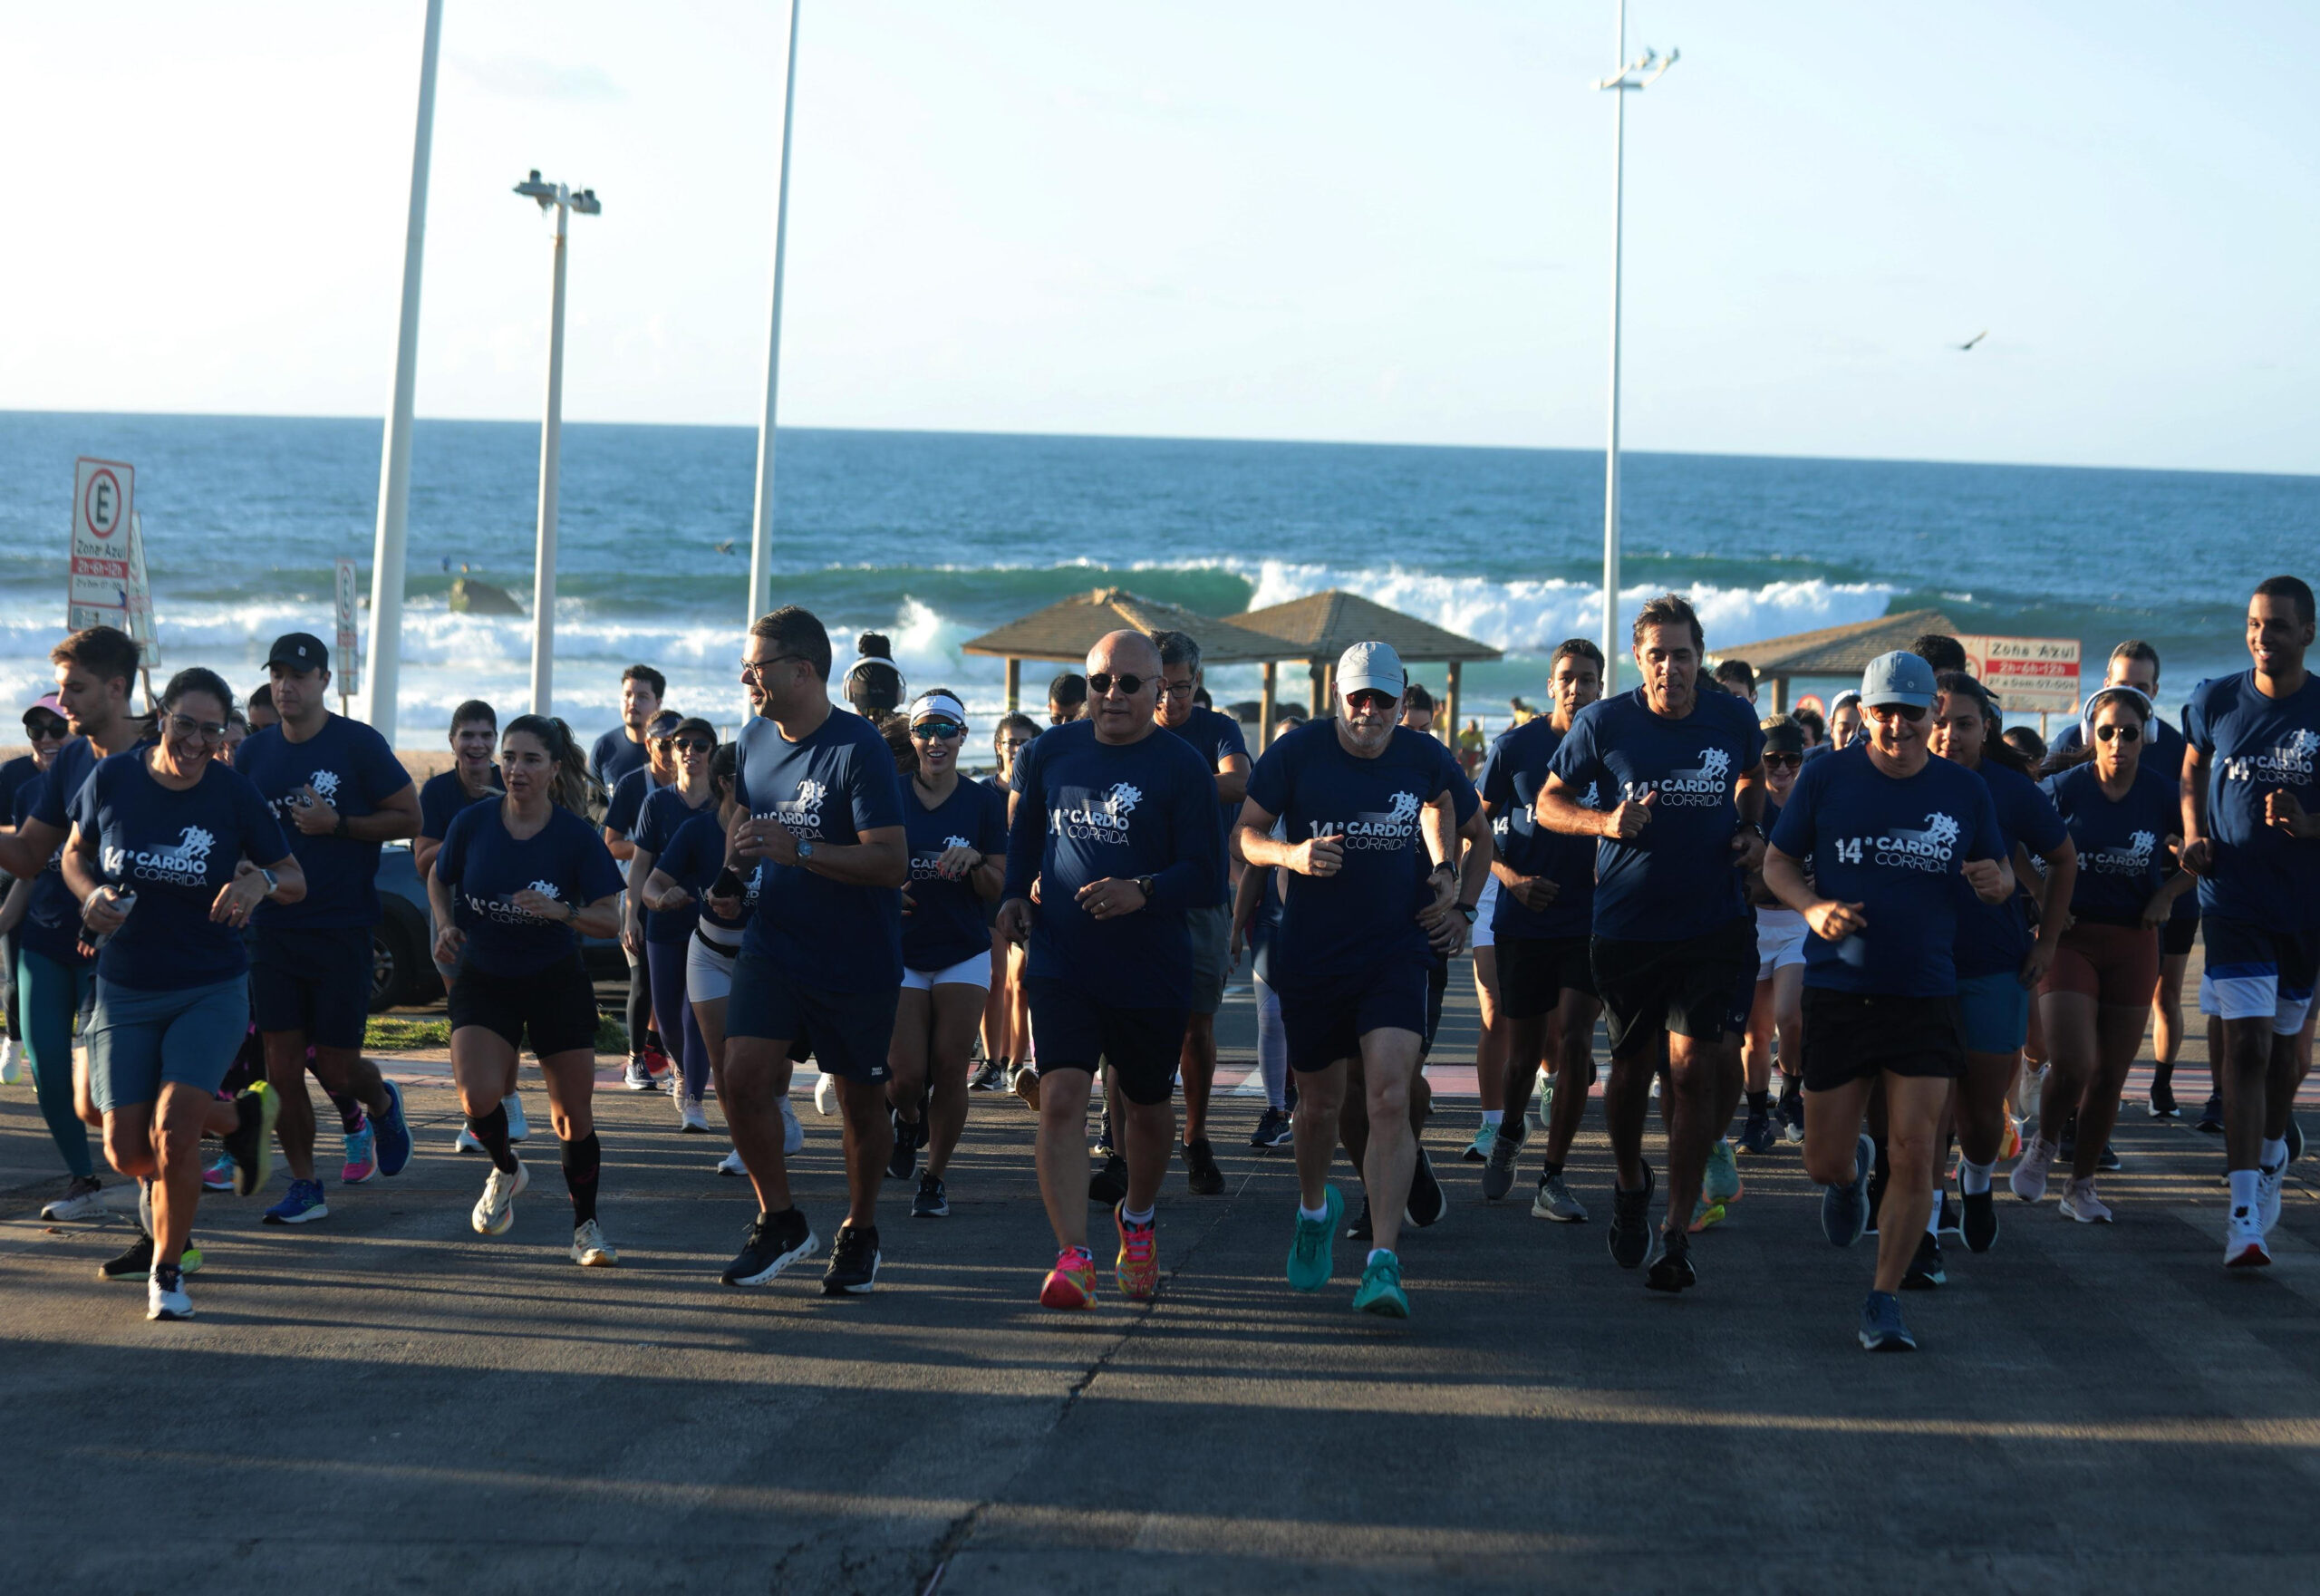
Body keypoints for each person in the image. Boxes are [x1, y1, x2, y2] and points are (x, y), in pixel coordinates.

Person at [1765, 652, 2012, 1351]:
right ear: (1864, 714)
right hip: (1841, 989)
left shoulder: (1964, 792)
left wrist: (1995, 884)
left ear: (1934, 713)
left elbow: (1996, 875)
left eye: (1911, 711)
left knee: (1917, 1150)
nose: (1898, 725)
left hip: (1924, 990)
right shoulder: (1825, 776)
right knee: (1823, 1158)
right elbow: (1777, 862)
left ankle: (1884, 1298)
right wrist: (1812, 908)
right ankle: (1848, 1178)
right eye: (1884, 711)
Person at [1238, 641, 1489, 1319]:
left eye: (1385, 699)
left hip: (1395, 951)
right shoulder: (1298, 752)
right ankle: (1315, 1209)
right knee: (1318, 1106)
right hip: (1313, 953)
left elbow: (1475, 829)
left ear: (1402, 702)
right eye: (1359, 698)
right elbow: (1247, 836)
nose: (1371, 711)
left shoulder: (1423, 755)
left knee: (1387, 1097)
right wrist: (1290, 851)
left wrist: (1460, 901)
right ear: (1338, 698)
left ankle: (1383, 1260)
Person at [1536, 595, 1767, 1292]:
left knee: (1694, 1068)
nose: (1671, 666)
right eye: (1658, 654)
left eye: (1684, 653)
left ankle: (1675, 1229)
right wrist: (1604, 821)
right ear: (1638, 659)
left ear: (1701, 656)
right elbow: (1549, 801)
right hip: (1628, 926)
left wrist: (1751, 830)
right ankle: (1631, 1178)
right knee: (1631, 1074)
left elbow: (1752, 775)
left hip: (1711, 923)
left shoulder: (1732, 717)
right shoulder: (1604, 721)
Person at [63, 667, 307, 1320]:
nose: (198, 740)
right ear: (159, 714)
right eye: (185, 723)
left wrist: (258, 885)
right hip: (126, 985)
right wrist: (90, 896)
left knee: (173, 1131)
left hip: (210, 985)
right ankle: (240, 1122)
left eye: (213, 728)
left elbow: (292, 874)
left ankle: (168, 1271)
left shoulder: (233, 794)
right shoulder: (113, 778)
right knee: (127, 1150)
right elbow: (72, 854)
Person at [1001, 631, 1220, 1310]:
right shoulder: (1048, 752)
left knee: (1147, 1108)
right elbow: (1025, 837)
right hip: (1064, 959)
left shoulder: (1182, 767)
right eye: (1100, 682)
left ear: (1161, 690)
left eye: (1130, 683)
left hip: (1149, 966)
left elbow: (1208, 874)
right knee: (1063, 1096)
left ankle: (1140, 1217)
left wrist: (1143, 889)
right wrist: (1013, 894)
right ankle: (1074, 1255)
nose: (1113, 694)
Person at [720, 606, 910, 1296]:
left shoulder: (858, 748)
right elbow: (744, 821)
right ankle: (780, 1219)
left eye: (758, 667)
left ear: (803, 669)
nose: (747, 678)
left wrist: (798, 849)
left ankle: (859, 1231)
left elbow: (890, 861)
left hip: (853, 955)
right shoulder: (752, 739)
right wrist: (730, 877)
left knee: (862, 1104)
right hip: (774, 943)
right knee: (741, 1075)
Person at [233, 633, 420, 1225]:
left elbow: (410, 816)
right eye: (278, 674)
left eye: (298, 674)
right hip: (274, 929)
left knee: (337, 1067)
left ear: (323, 681)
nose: (285, 684)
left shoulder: (358, 744)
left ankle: (383, 1102)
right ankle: (306, 1184)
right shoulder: (253, 755)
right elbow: (237, 827)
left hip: (342, 926)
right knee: (282, 1064)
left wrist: (336, 823)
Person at [428, 716, 624, 1265]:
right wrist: (444, 923)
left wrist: (564, 912)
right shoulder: (472, 823)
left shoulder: (575, 837)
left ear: (554, 768)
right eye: (509, 757)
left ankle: (586, 1228)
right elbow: (439, 876)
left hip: (555, 981)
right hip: (485, 975)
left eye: (530, 759)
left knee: (571, 1117)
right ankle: (507, 1170)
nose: (515, 769)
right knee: (477, 1100)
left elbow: (610, 918)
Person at [2180, 575, 2320, 1268]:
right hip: (2231, 902)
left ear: (2307, 634)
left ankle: (2271, 1158)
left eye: (2277, 626)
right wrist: (2192, 837)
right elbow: (2191, 770)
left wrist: (2308, 821)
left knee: (2290, 1058)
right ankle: (2241, 1217)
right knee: (2248, 1050)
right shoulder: (2213, 699)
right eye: (2254, 624)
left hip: (2304, 909)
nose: (2263, 636)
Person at [0, 631, 155, 1254]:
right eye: (60, 686)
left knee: (111, 1099)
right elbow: (34, 852)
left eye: (75, 687)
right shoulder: (70, 757)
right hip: (48, 936)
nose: (62, 701)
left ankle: (168, 1216)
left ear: (116, 689)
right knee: (49, 1069)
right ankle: (88, 1181)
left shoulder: (166, 751)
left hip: (128, 950)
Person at [2022, 685, 2190, 1223]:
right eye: (2106, 732)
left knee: (2111, 1075)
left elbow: (2208, 851)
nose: (2117, 742)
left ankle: (2082, 1185)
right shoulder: (2064, 788)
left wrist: (2168, 893)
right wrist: (2042, 895)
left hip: (2134, 940)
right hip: (2072, 938)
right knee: (2072, 1064)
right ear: (2091, 734)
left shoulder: (2163, 793)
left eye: (2129, 733)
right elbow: (2009, 841)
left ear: (2147, 737)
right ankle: (2045, 1144)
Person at [1925, 672, 2074, 1268]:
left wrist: (2049, 941)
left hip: (1994, 966)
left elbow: (2063, 859)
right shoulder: (1901, 779)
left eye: (1963, 722)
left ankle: (1978, 1179)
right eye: (1937, 721)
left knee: (1981, 1114)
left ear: (1985, 727)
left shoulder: (2010, 789)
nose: (1948, 734)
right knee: (1927, 1108)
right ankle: (1928, 1222)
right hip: (1920, 969)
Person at [1475, 640, 1607, 1223]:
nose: (1577, 688)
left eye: (1588, 679)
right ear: (1551, 686)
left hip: (1591, 920)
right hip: (1523, 919)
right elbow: (1473, 830)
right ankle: (1508, 1131)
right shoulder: (1515, 747)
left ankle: (1553, 1178)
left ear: (1602, 685)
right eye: (1567, 678)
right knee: (1524, 1054)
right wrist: (1511, 879)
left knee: (1576, 1040)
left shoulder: (1611, 746)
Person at [2049, 641, 2200, 1117]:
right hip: (2092, 904)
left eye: (2140, 687)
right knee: (2082, 1026)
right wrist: (2042, 893)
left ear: (2154, 694)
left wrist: (2173, 879)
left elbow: (2203, 837)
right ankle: (2067, 1118)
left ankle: (2161, 1084)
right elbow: (2031, 821)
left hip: (2161, 892)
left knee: (2166, 994)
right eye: (2120, 684)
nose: (2119, 740)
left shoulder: (2177, 749)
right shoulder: (2071, 752)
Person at [643, 743, 802, 1177]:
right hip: (709, 954)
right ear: (728, 782)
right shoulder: (697, 831)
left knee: (771, 1063)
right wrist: (662, 899)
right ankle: (745, 1146)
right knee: (726, 1065)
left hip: (767, 956)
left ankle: (782, 1107)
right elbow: (652, 884)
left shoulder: (780, 827)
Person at [889, 691, 1007, 1217]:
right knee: (906, 1076)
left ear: (963, 736)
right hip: (903, 951)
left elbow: (999, 885)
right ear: (912, 736)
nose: (934, 741)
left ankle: (934, 1177)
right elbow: (860, 866)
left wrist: (976, 860)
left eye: (945, 730)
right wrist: (884, 891)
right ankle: (908, 1118)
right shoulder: (888, 795)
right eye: (924, 730)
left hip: (962, 949)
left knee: (951, 1064)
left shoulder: (983, 802)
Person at [1151, 630, 1250, 1195]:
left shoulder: (1217, 729)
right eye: (1159, 689)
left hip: (1201, 898)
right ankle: (1118, 1138)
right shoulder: (1127, 728)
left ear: (1198, 681)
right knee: (1129, 1020)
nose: (1169, 702)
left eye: (1180, 688)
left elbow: (1238, 781)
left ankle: (1195, 1134)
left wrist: (1168, 787)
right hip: (1136, 896)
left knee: (1198, 1025)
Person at [0, 692, 103, 1217]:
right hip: (41, 946)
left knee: (103, 1089)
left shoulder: (110, 782)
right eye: (34, 728)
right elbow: (30, 871)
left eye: (55, 728)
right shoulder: (29, 792)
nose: (43, 738)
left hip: (100, 952)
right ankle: (82, 1181)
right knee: (47, 1071)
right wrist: (2, 923)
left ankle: (180, 1150)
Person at [415, 701, 529, 1154]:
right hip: (451, 920)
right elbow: (424, 859)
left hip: (504, 917)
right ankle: (480, 1116)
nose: (478, 744)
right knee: (466, 1017)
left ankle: (507, 1104)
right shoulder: (438, 792)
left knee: (504, 1018)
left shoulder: (514, 783)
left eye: (486, 735)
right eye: (468, 735)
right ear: (452, 741)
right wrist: (472, 835)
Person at [627, 716, 720, 1129]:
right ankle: (680, 1069)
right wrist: (632, 916)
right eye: (681, 744)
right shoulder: (657, 803)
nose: (690, 752)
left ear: (713, 755)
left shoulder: (723, 808)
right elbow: (640, 866)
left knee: (693, 1015)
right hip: (663, 922)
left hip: (711, 926)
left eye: (701, 745)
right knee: (666, 1019)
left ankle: (696, 1098)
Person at [1740, 715, 1809, 1150]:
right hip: (1754, 926)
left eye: (1791, 759)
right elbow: (1744, 880)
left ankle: (1792, 1094)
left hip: (1798, 927)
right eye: (1771, 759)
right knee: (1756, 1035)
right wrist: (1785, 883)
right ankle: (1755, 1117)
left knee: (1791, 1017)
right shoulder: (1745, 803)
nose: (1781, 768)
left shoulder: (1812, 801)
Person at [604, 708, 683, 1091]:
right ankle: (636, 1060)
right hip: (636, 896)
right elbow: (610, 843)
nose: (673, 752)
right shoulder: (635, 785)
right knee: (643, 979)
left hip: (679, 898)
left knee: (675, 984)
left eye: (680, 743)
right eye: (664, 744)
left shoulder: (694, 785)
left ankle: (666, 1057)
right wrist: (648, 849)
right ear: (649, 745)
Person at [976, 713, 1039, 1092]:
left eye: (1023, 742)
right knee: (995, 978)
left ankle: (1018, 1063)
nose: (1015, 748)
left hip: (1031, 893)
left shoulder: (1042, 787)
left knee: (1022, 980)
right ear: (998, 746)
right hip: (993, 891)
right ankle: (991, 1061)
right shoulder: (985, 792)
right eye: (1010, 741)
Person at [588, 664, 664, 792]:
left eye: (642, 696)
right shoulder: (604, 746)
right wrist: (615, 812)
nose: (633, 702)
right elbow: (593, 803)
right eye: (627, 695)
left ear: (658, 703)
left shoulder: (671, 749)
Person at [843, 634, 907, 721]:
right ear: (899, 695)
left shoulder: (840, 732)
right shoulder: (913, 732)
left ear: (849, 692)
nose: (874, 716)